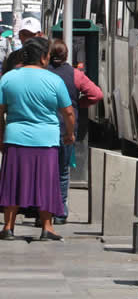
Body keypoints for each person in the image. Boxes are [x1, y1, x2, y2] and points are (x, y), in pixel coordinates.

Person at [0, 37, 75, 241]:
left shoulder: (7, 79)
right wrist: (70, 133)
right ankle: (46, 227)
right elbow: (68, 112)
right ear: (43, 57)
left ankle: (8, 226)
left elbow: (0, 112)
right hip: (46, 140)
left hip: (15, 138)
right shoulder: (54, 80)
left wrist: (1, 135)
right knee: (46, 183)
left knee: (13, 182)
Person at [47, 39, 103, 224]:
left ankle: (44, 212)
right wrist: (79, 103)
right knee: (62, 172)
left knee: (45, 173)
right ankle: (61, 212)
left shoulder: (42, 73)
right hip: (66, 128)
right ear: (66, 55)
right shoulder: (75, 75)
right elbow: (96, 94)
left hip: (44, 128)